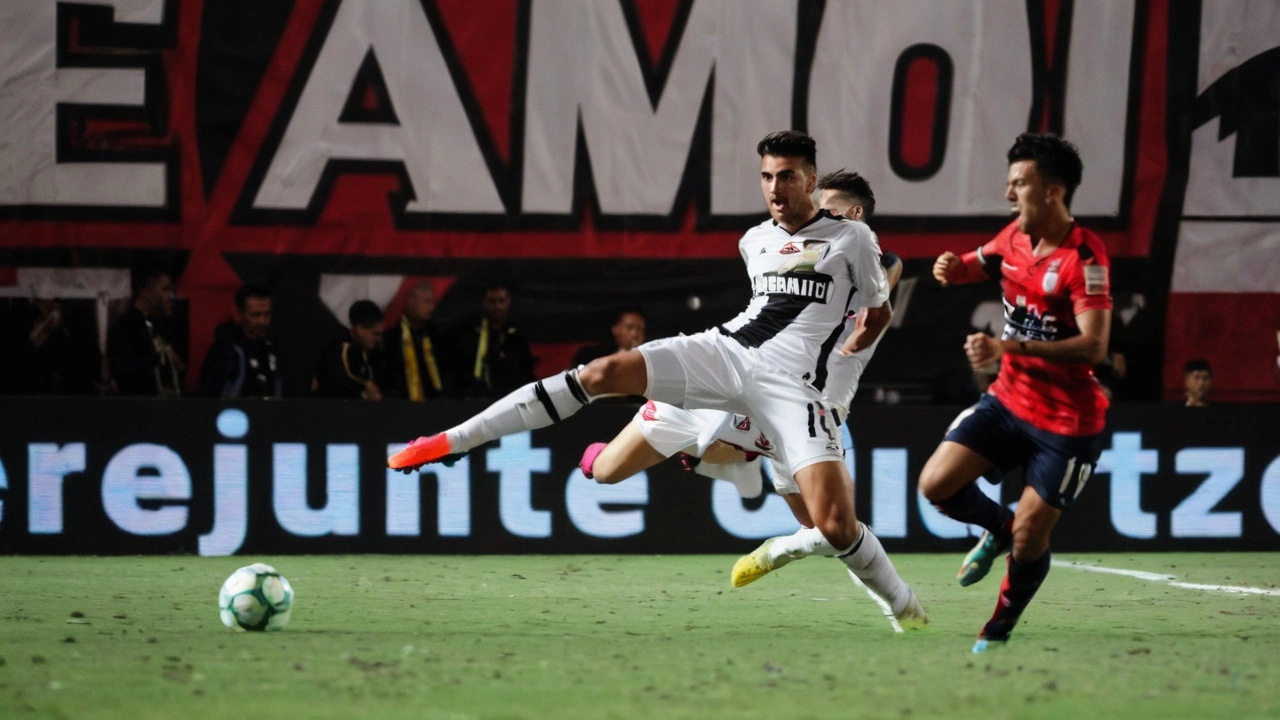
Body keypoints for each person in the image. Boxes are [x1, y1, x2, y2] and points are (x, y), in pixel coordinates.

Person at [389, 132, 924, 624]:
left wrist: (864, 323)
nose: (776, 188)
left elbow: (883, 287)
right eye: (768, 177)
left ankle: (901, 608)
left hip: (796, 394)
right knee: (604, 387)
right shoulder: (756, 241)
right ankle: (453, 440)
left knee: (829, 526)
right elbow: (773, 300)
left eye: (788, 177)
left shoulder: (856, 240)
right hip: (727, 355)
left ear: (811, 182)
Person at [578, 170, 907, 604]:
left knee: (829, 531)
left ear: (856, 214)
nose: (818, 217)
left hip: (806, 410)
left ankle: (780, 544)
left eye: (827, 208)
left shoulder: (870, 259)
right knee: (605, 473)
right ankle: (715, 454)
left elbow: (884, 275)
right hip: (748, 384)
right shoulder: (804, 254)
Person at [922, 133, 1111, 653]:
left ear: (1052, 192)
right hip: (1008, 402)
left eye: (1019, 184)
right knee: (935, 484)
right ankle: (998, 527)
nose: (1009, 194)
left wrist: (1010, 347)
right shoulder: (1013, 237)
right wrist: (949, 268)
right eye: (1009, 183)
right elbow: (975, 262)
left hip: (1067, 424)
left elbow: (1094, 347)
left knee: (1032, 540)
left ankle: (998, 629)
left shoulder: (1085, 258)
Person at [446, 282, 535, 398]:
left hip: (509, 400)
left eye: (501, 301)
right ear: (484, 302)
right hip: (474, 401)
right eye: (492, 301)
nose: (497, 306)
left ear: (509, 302)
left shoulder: (517, 337)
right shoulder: (468, 334)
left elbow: (525, 373)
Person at [198, 283, 283, 398]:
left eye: (267, 314)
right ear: (240, 314)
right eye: (255, 315)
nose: (262, 321)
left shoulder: (275, 349)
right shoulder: (225, 352)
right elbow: (208, 399)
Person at [107, 266, 183, 396]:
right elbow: (124, 374)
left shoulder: (160, 326)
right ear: (145, 291)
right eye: (165, 289)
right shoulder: (124, 327)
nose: (170, 296)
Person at [384, 282, 446, 401]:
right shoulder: (393, 338)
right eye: (426, 302)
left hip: (436, 403)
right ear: (411, 301)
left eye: (433, 303)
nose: (431, 307)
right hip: (404, 404)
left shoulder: (437, 335)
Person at [311, 300, 386, 399]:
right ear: (359, 329)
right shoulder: (338, 350)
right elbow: (338, 386)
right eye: (375, 334)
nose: (378, 339)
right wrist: (366, 391)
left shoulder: (371, 351)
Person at [571, 307, 648, 367]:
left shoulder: (648, 361)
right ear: (615, 329)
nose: (634, 334)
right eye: (629, 327)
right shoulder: (590, 355)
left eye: (640, 329)